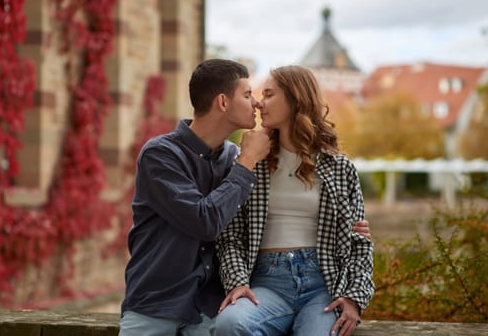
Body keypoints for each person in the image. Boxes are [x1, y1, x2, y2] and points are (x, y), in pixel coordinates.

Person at [210, 65, 375, 336]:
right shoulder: (251, 162)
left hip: (323, 286)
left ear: (295, 98)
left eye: (269, 94)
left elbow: (359, 241)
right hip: (267, 284)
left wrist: (355, 298)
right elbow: (230, 236)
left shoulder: (339, 167)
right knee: (230, 324)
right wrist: (237, 282)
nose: (260, 103)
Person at [119, 58, 272, 336]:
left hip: (211, 313)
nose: (257, 104)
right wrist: (247, 161)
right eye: (247, 95)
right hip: (154, 307)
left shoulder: (234, 159)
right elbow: (204, 221)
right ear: (223, 102)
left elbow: (266, 217)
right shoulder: (160, 155)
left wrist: (348, 228)